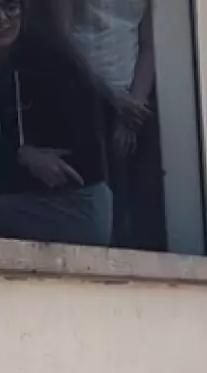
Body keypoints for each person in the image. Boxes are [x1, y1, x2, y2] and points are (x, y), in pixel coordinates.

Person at [0, 0, 111, 246]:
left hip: (77, 203)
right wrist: (20, 155)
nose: (0, 18)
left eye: (10, 7)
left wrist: (18, 157)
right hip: (16, 197)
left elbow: (83, 164)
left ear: (24, 9)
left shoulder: (54, 62)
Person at [48, 0, 163, 250]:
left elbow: (149, 46)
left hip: (132, 100)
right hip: (80, 95)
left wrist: (134, 106)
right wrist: (112, 97)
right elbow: (61, 39)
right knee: (95, 198)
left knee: (138, 199)